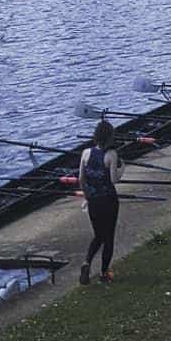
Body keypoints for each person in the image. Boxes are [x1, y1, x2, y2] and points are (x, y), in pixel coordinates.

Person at [78, 120, 121, 284]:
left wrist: (86, 195)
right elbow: (113, 180)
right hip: (109, 201)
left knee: (98, 235)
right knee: (108, 237)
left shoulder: (85, 153)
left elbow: (81, 179)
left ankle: (86, 262)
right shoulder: (111, 155)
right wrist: (121, 169)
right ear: (110, 137)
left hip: (93, 201)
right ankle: (104, 274)